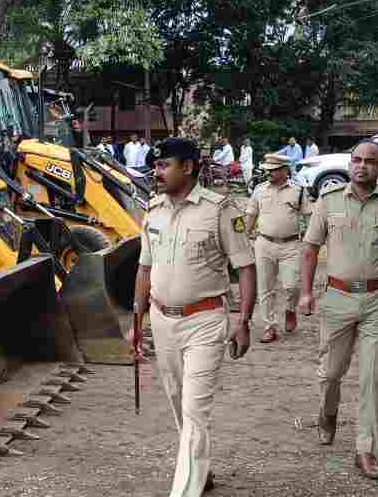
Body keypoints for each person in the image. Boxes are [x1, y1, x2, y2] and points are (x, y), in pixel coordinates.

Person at [134, 137, 257, 496]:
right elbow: (144, 269)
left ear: (187, 167)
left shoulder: (219, 209)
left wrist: (243, 320)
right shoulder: (153, 210)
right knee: (177, 399)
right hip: (161, 319)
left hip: (205, 321)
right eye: (155, 166)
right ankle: (201, 469)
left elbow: (246, 267)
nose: (156, 172)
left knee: (194, 408)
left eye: (163, 165)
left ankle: (186, 489)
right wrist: (137, 320)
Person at [298, 140, 378, 481]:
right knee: (331, 372)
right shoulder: (329, 200)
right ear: (349, 164)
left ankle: (365, 450)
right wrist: (305, 293)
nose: (361, 166)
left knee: (372, 377)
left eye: (369, 162)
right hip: (337, 299)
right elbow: (309, 249)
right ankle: (328, 413)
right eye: (356, 160)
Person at [242, 154, 310, 344]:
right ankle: (268, 326)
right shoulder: (259, 190)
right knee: (265, 288)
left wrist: (310, 242)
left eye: (273, 169)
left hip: (291, 245)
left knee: (292, 285)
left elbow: (309, 217)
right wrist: (243, 239)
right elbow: (250, 215)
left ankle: (290, 309)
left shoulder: (299, 191)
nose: (269, 173)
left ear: (285, 170)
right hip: (264, 243)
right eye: (268, 169)